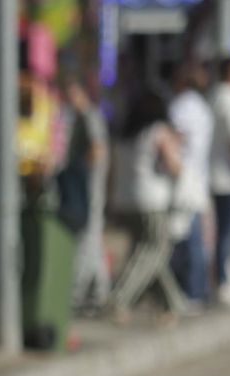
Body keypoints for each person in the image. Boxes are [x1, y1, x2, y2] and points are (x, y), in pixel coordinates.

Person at [107, 90, 188, 320]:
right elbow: (174, 165)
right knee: (154, 251)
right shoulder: (158, 131)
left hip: (125, 200)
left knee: (149, 253)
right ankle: (120, 298)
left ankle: (172, 304)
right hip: (151, 200)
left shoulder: (125, 135)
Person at [168, 60, 214, 306]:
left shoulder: (182, 105)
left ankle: (192, 291)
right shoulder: (202, 107)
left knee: (187, 237)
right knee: (194, 236)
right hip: (198, 178)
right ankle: (198, 289)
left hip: (184, 178)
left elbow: (176, 138)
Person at [65, 76, 112, 313]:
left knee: (88, 236)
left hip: (89, 186)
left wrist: (81, 170)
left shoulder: (89, 117)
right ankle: (99, 291)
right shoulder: (79, 118)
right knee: (92, 237)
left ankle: (80, 291)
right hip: (85, 185)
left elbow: (98, 149)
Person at [208, 57, 230, 306]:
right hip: (228, 178)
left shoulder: (214, 96)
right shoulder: (228, 98)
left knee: (222, 230)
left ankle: (222, 278)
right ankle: (224, 282)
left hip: (217, 175)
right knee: (226, 231)